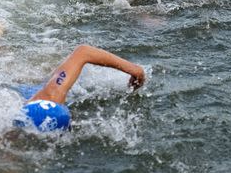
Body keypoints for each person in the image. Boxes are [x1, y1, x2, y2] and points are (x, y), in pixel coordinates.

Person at [14, 44, 145, 132]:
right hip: (26, 91)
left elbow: (84, 52)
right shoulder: (7, 134)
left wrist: (135, 70)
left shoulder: (53, 96)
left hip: (37, 86)